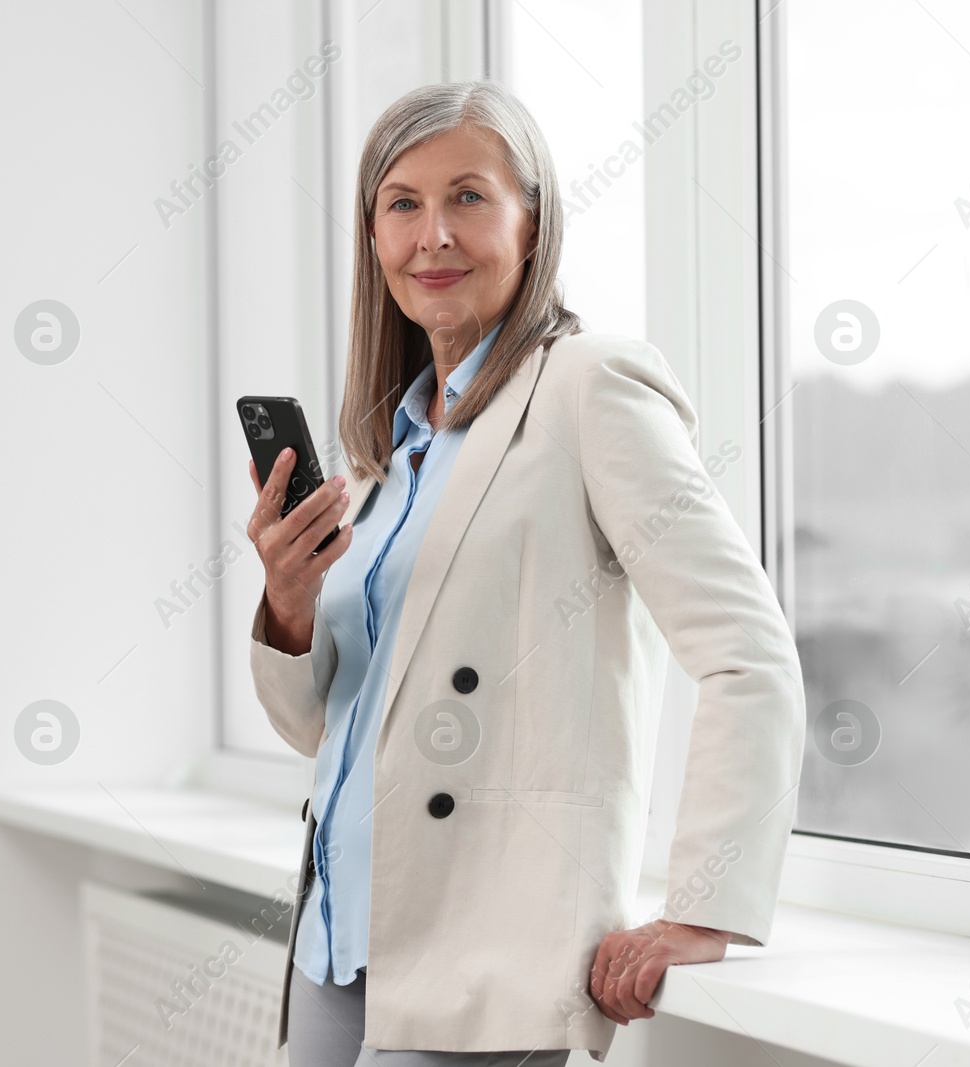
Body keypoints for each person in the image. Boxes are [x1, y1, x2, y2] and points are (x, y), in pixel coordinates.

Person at [246, 80, 805, 1065]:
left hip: (485, 945)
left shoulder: (590, 387)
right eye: (402, 203)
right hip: (335, 932)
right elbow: (317, 726)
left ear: (531, 218)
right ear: (372, 237)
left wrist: (704, 906)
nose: (433, 235)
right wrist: (288, 604)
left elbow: (746, 651)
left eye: (469, 196)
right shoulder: (390, 447)